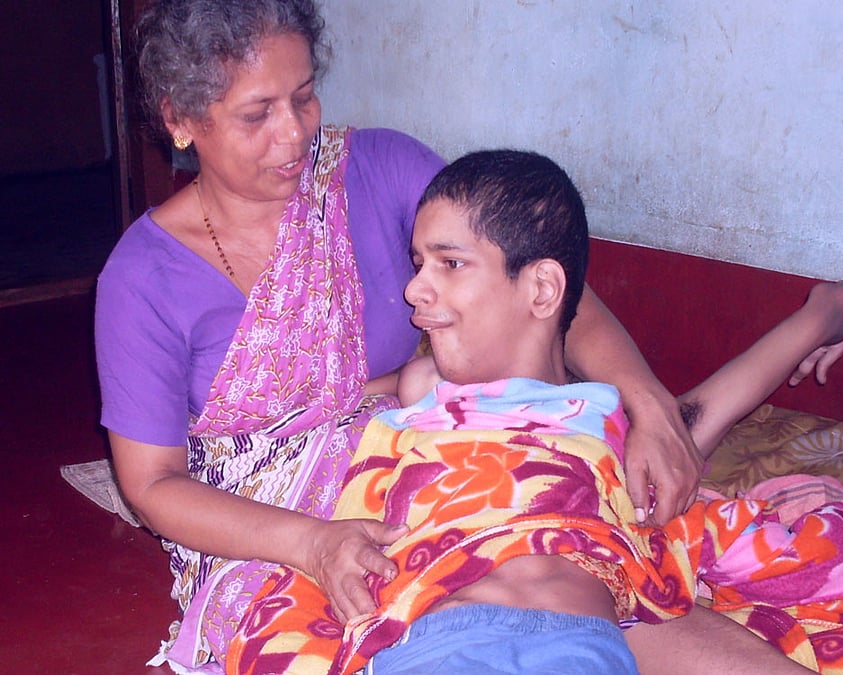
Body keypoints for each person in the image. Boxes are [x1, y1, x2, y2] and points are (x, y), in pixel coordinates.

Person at [94, 1, 710, 672]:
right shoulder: (143, 275)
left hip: (414, 454)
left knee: (569, 558)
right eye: (256, 114)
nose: (295, 134)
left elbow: (548, 282)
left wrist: (648, 403)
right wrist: (312, 544)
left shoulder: (376, 169)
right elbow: (152, 484)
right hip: (264, 525)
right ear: (180, 121)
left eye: (304, 97)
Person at [225, 150, 843, 675]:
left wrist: (828, 312)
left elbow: (702, 415)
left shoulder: (607, 422)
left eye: (449, 263)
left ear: (542, 287)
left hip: (577, 645)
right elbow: (318, 409)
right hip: (434, 640)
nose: (413, 289)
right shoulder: (423, 387)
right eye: (418, 262)